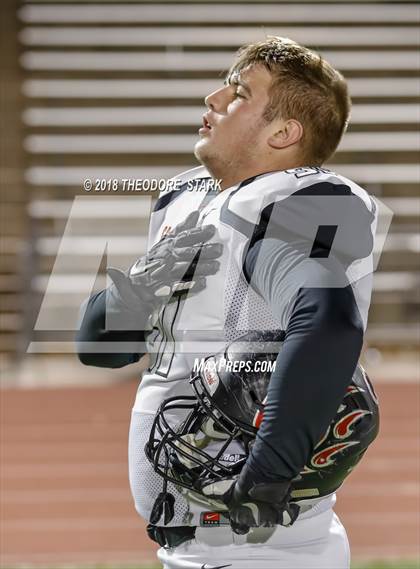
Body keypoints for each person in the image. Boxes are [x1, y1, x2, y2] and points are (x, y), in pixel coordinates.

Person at [77, 36, 380, 569]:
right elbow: (100, 350)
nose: (213, 98)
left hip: (260, 549)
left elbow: (328, 325)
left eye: (239, 92)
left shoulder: (284, 201)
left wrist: (268, 475)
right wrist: (142, 287)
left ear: (284, 133)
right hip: (204, 547)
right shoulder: (191, 199)